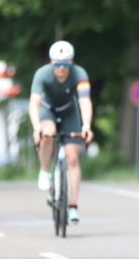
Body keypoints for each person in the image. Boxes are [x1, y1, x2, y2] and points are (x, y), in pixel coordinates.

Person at [29, 40, 94, 224]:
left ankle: (73, 206)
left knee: (72, 157)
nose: (61, 69)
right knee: (48, 133)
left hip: (69, 111)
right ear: (51, 63)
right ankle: (44, 170)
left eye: (65, 64)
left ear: (71, 62)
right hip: (47, 109)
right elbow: (34, 103)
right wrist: (36, 127)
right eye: (57, 64)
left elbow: (84, 101)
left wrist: (87, 126)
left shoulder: (80, 74)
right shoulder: (42, 74)